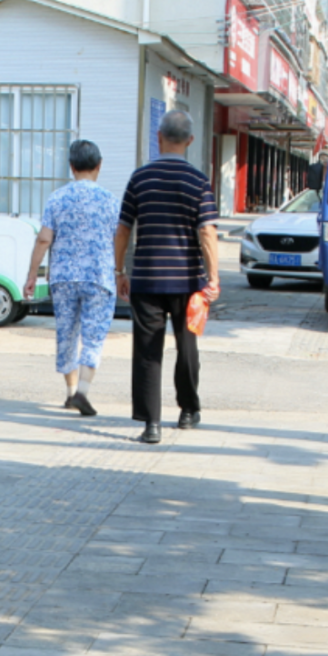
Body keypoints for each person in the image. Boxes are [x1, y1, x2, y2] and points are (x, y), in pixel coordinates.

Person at [114, 109, 220, 443]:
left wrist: (120, 270)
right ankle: (188, 411)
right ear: (189, 141)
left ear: (158, 137)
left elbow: (123, 230)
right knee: (187, 346)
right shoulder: (199, 181)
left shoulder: (139, 178)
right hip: (189, 283)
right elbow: (207, 233)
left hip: (146, 279)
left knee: (148, 350)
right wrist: (213, 278)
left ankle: (151, 425)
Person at [23, 140, 119, 416]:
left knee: (67, 333)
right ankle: (83, 392)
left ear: (71, 166)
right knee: (93, 335)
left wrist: (32, 275)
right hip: (99, 277)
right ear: (99, 166)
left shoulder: (57, 198)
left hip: (63, 277)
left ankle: (69, 392)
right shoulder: (110, 201)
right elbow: (119, 239)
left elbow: (44, 239)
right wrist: (121, 271)